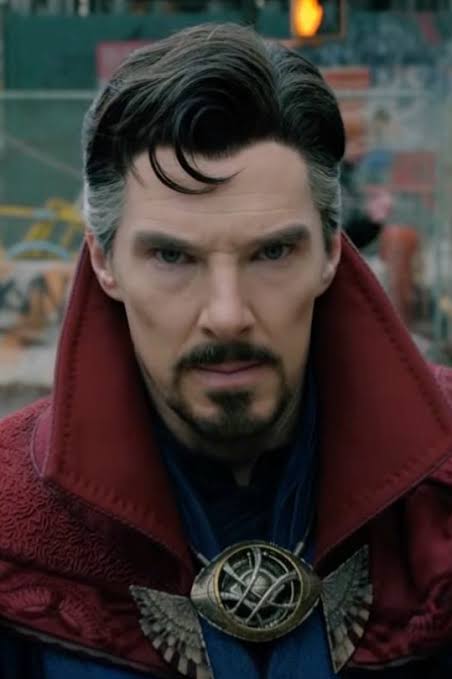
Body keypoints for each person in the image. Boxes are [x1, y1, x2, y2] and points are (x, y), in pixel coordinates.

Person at [0, 23, 452, 679]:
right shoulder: (15, 535)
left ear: (330, 252)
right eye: (172, 256)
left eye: (272, 252)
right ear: (104, 263)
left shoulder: (439, 497)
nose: (228, 315)